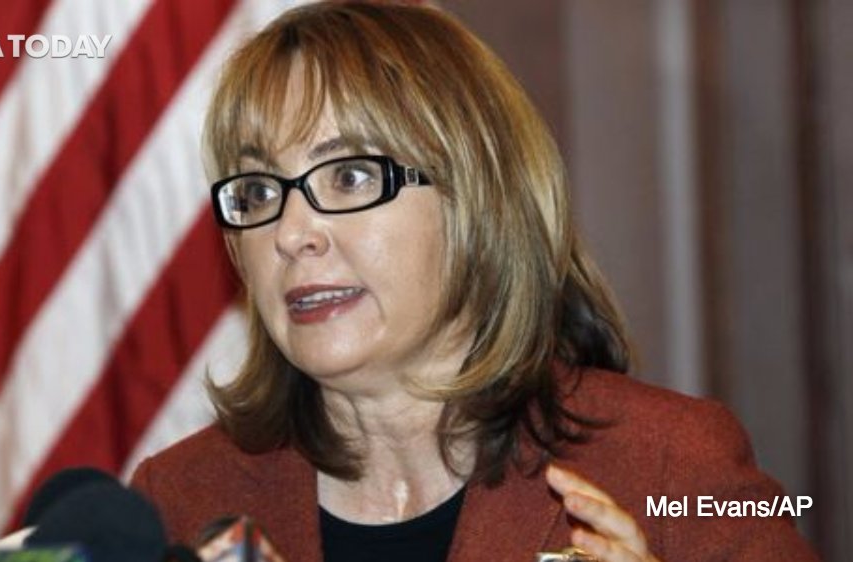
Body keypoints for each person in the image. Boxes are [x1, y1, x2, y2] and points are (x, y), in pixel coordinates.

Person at [131, 2, 819, 561]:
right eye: (257, 191)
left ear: (475, 200)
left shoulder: (673, 465)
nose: (289, 233)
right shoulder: (182, 500)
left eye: (350, 176)